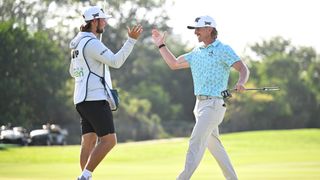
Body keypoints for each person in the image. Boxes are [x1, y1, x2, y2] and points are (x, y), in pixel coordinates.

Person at [152, 15, 249, 180]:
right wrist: (161, 45)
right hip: (199, 106)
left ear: (209, 29)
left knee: (195, 142)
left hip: (214, 105)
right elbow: (174, 63)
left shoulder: (223, 49)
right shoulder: (196, 52)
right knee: (216, 147)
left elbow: (243, 69)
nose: (195, 32)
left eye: (198, 29)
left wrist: (241, 82)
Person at [69, 6, 143, 180]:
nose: (106, 23)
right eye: (103, 20)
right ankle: (84, 177)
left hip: (81, 99)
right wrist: (131, 41)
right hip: (95, 98)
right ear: (94, 21)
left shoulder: (78, 42)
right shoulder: (91, 43)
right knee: (110, 140)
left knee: (88, 142)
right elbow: (116, 62)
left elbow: (73, 72)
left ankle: (84, 176)